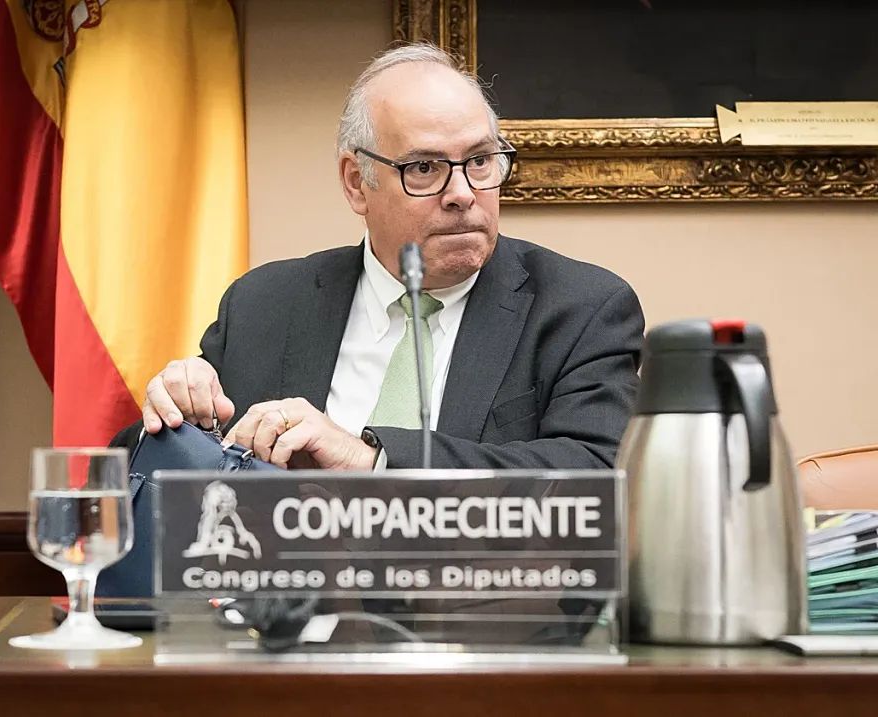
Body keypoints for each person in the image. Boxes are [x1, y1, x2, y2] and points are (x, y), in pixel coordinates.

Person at [127, 42, 644, 471]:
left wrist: (372, 461)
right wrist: (178, 416)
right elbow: (141, 475)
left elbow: (600, 471)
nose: (462, 193)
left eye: (480, 161)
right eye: (424, 168)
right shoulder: (264, 305)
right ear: (357, 183)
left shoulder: (580, 309)